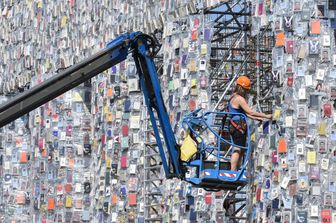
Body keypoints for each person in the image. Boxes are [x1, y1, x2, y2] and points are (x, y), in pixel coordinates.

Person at [228, 76, 272, 171]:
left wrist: (259, 118)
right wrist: (265, 115)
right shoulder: (239, 99)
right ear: (242, 88)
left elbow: (247, 115)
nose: (247, 93)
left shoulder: (233, 97)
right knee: (238, 149)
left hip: (235, 125)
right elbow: (250, 112)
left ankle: (236, 169)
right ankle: (233, 171)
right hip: (237, 126)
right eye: (246, 90)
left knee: (241, 149)